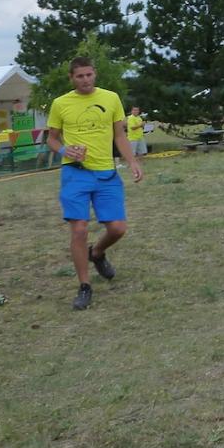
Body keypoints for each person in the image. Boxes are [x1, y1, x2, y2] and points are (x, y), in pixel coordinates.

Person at [47, 56, 144, 311]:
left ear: (95, 74)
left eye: (89, 75)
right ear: (71, 78)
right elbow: (52, 140)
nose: (85, 80)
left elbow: (120, 135)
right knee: (78, 229)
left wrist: (132, 161)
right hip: (75, 173)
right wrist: (65, 151)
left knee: (118, 229)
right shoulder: (60, 104)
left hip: (106, 174)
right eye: (80, 76)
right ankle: (85, 286)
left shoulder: (111, 98)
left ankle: (97, 253)